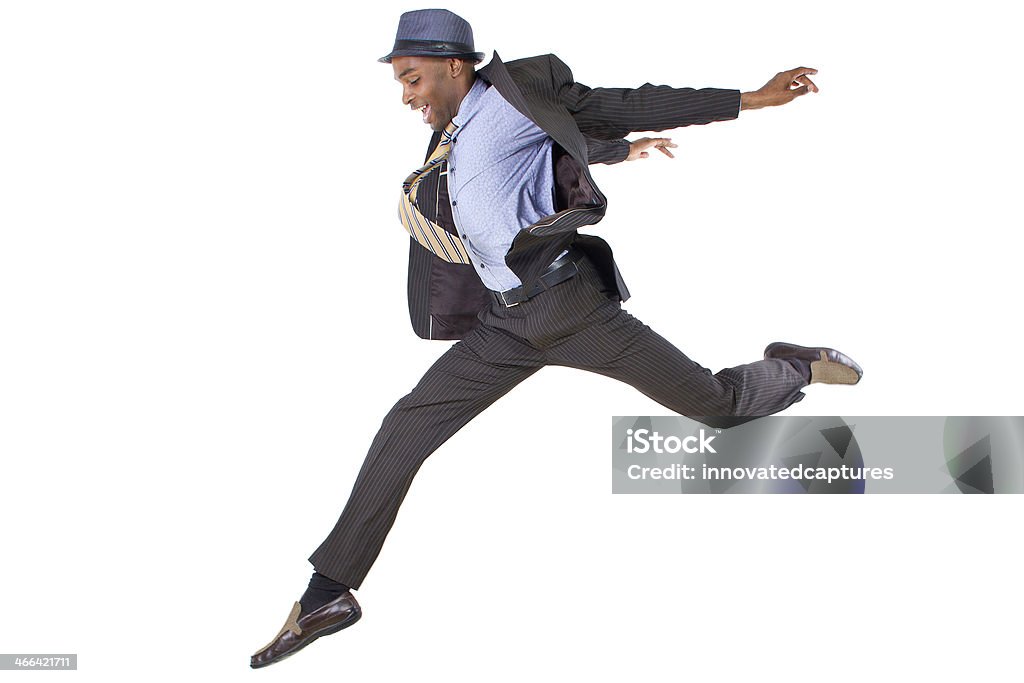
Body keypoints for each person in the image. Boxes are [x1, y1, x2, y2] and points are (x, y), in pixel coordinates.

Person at [251, 8, 863, 668]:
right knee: (406, 425)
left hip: (572, 308)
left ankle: (795, 366)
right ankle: (326, 594)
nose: (406, 95)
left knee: (713, 403)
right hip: (504, 325)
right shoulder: (448, 137)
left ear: (454, 66)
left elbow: (624, 104)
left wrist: (752, 98)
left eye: (412, 78)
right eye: (401, 83)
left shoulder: (514, 100)